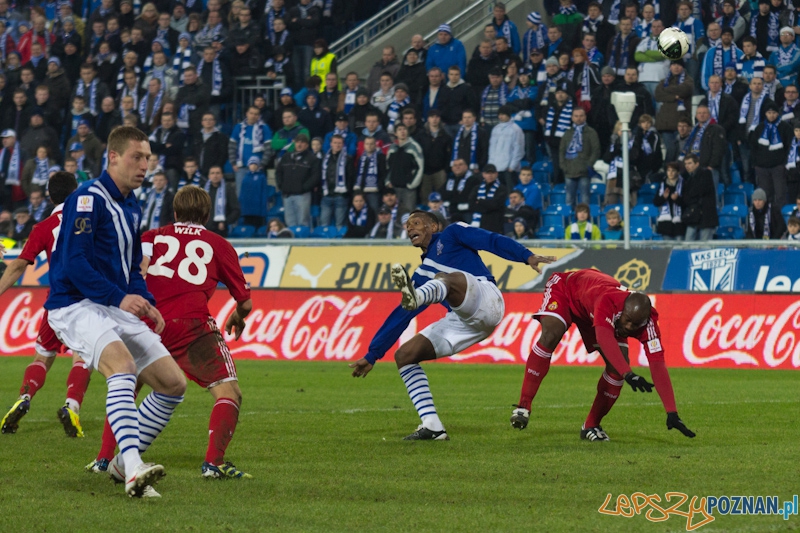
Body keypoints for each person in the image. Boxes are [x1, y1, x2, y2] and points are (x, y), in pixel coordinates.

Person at [44, 127, 187, 498]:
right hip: (74, 303)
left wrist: (143, 300)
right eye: (137, 157)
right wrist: (120, 298)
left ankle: (123, 463)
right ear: (113, 157)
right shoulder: (88, 198)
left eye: (148, 158)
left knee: (173, 384)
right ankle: (134, 467)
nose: (145, 165)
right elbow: (74, 263)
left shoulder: (132, 203)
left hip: (112, 302)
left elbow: (132, 263)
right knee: (121, 367)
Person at [88, 185, 253, 479]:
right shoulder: (219, 244)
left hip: (149, 323)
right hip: (193, 327)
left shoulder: (151, 237)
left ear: (174, 212)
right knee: (228, 393)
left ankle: (103, 459)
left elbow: (133, 271)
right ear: (207, 214)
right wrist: (238, 316)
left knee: (126, 388)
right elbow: (245, 301)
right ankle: (213, 464)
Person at [349, 210, 554, 439]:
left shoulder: (453, 234)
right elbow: (401, 315)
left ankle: (417, 297)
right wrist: (373, 354)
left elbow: (490, 240)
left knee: (445, 278)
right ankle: (432, 426)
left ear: (433, 226)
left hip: (486, 298)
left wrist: (525, 256)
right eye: (407, 227)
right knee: (405, 355)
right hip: (464, 321)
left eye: (416, 223)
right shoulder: (421, 274)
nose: (410, 229)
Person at [511, 269, 695, 441]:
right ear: (623, 311)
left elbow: (657, 363)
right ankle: (523, 406)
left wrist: (672, 411)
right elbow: (604, 337)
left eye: (635, 325)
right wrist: (628, 373)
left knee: (617, 366)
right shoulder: (608, 301)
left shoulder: (649, 323)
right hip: (566, 289)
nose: (630, 328)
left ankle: (591, 426)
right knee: (552, 333)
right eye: (628, 321)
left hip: (590, 306)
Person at [0, 172, 92, 438]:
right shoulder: (92, 222)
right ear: (76, 193)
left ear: (50, 197)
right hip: (87, 300)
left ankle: (25, 396)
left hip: (56, 302)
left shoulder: (44, 226)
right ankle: (72, 405)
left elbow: (19, 264)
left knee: (43, 356)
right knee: (82, 356)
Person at [749, 101, 792, 207]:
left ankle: (781, 220)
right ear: (765, 114)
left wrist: (784, 164)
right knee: (766, 196)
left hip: (778, 167)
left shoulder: (785, 127)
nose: (771, 115)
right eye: (769, 113)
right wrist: (756, 164)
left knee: (780, 194)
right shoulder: (759, 128)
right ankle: (768, 219)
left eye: (774, 113)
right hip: (762, 168)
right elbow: (753, 147)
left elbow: (789, 147)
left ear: (778, 114)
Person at [275, 133, 318, 227]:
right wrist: (281, 185)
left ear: (307, 145)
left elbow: (315, 177)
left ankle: (303, 241)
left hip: (302, 195)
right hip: (287, 195)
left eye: (302, 142)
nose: (299, 144)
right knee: (290, 222)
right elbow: (278, 172)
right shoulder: (286, 157)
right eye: (298, 142)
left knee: (303, 222)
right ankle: (291, 241)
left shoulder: (312, 159)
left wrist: (303, 188)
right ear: (294, 143)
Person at [560, 107, 600, 207]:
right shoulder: (567, 133)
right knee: (569, 199)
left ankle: (585, 221)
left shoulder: (591, 132)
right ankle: (569, 221)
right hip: (569, 171)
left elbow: (596, 150)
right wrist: (563, 166)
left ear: (585, 117)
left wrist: (588, 165)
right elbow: (561, 151)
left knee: (585, 199)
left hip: (584, 172)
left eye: (581, 116)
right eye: (576, 116)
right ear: (572, 118)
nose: (579, 118)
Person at [680, 153, 718, 241]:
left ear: (697, 164)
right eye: (685, 164)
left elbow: (699, 190)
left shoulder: (705, 173)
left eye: (689, 163)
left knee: (704, 246)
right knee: (688, 242)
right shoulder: (687, 177)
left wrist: (689, 194)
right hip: (693, 216)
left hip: (706, 216)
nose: (687, 166)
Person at [320, 134, 354, 228]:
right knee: (324, 224)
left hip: (341, 196)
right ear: (331, 144)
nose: (337, 145)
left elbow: (351, 177)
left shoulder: (348, 158)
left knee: (340, 224)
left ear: (343, 144)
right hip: (327, 195)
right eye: (335, 143)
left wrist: (346, 192)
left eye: (339, 143)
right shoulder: (324, 158)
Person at [488, 105, 524, 190]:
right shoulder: (495, 129)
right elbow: (491, 148)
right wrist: (491, 165)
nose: (500, 116)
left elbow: (519, 149)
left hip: (509, 169)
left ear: (508, 115)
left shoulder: (516, 129)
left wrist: (512, 166)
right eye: (499, 114)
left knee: (510, 193)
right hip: (496, 168)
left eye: (503, 114)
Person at [469, 164, 508, 234]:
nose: (490, 175)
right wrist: (488, 205)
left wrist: (480, 201)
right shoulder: (476, 188)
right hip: (480, 223)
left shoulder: (502, 188)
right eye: (487, 173)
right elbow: (471, 204)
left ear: (496, 174)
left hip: (495, 224)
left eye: (492, 173)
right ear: (483, 174)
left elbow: (496, 204)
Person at [203, 166, 240, 238]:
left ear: (222, 175)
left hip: (220, 230)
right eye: (212, 173)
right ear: (209, 176)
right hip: (204, 228)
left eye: (217, 173)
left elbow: (236, 210)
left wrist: (225, 222)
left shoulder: (228, 190)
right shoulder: (203, 190)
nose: (215, 175)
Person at [653, 162, 686, 240]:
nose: (670, 173)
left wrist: (677, 199)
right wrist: (663, 197)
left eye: (673, 171)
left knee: (679, 249)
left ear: (678, 172)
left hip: (679, 224)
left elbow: (686, 202)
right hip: (665, 225)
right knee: (668, 249)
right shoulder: (662, 185)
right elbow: (656, 202)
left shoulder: (684, 184)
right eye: (668, 170)